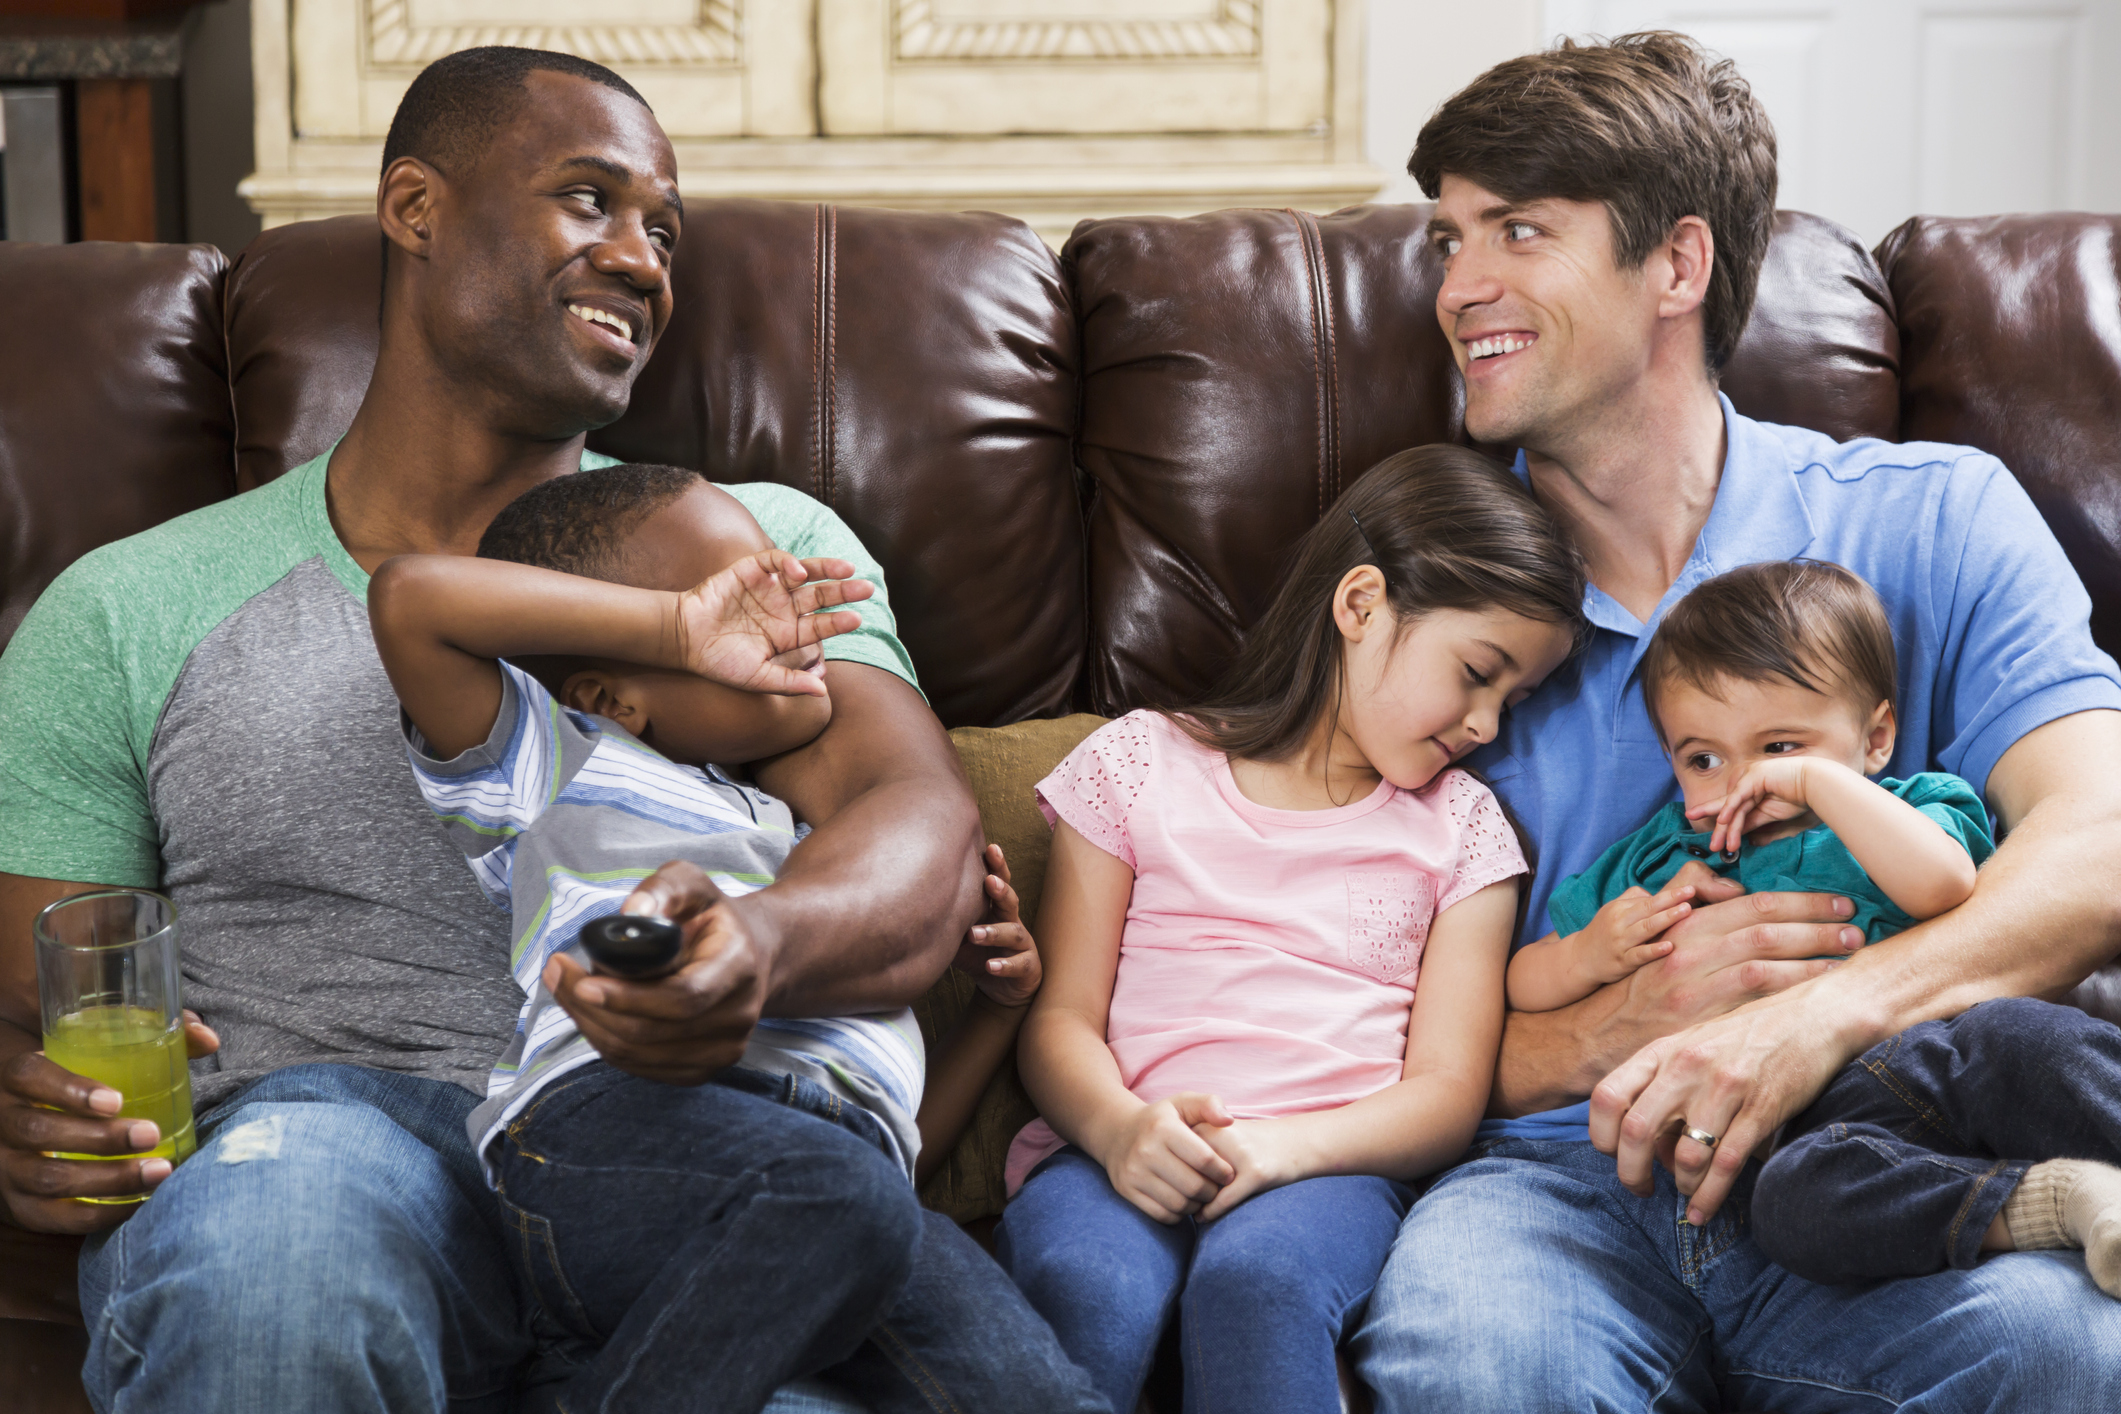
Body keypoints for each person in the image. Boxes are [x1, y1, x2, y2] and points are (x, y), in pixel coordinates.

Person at [0, 47, 989, 1413]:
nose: (643, 258)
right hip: (320, 1150)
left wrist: (755, 949)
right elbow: (49, 1002)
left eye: (665, 230)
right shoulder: (124, 608)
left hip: (684, 1175)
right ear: (416, 206)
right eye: (590, 199)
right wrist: (39, 1112)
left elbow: (917, 825)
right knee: (277, 1264)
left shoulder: (762, 553)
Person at [1350, 30, 2121, 1413]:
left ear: (1678, 266)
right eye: (1448, 238)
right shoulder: (1422, 615)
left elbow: (2104, 843)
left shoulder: (1933, 515)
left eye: (1516, 231)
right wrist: (1619, 1026)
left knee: (2064, 1345)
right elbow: (1324, 1003)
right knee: (1481, 1366)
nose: (1458, 289)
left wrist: (1813, 1018)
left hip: (1887, 1156)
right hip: (1555, 1187)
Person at [369, 462, 1101, 1413]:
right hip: (608, 1135)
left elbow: (896, 1157)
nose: (794, 619)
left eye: (785, 583)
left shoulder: (813, 846)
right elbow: (411, 599)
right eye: (744, 599)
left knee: (1045, 1394)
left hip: (837, 1198)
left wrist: (1001, 1013)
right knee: (837, 1198)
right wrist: (674, 625)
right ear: (613, 697)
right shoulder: (562, 765)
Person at [995, 447, 1587, 1414]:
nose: (1486, 724)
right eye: (1476, 674)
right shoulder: (1139, 764)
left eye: (1512, 702)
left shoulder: (1463, 831)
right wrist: (1115, 1131)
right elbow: (1060, 1018)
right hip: (1113, 1148)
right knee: (1088, 1285)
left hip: (1325, 1170)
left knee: (1258, 1284)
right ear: (1360, 606)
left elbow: (1445, 1093)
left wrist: (1282, 1152)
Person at [1507, 560, 1991, 1014]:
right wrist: (1588, 954)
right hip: (1722, 1084)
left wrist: (1814, 780)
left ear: (1876, 738)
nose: (1745, 780)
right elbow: (1520, 981)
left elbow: (1942, 887)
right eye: (1705, 760)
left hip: (1898, 1056)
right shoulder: (1662, 857)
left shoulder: (1911, 811)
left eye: (1780, 747)